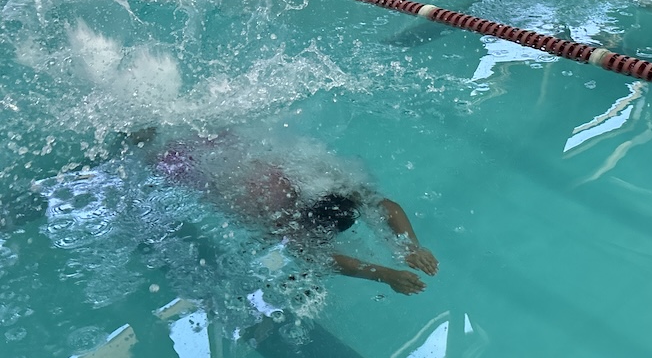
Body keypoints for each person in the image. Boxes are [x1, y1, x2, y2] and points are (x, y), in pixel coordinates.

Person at [150, 130, 439, 296]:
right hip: (196, 169)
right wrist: (387, 274)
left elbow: (384, 206)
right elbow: (329, 260)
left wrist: (412, 248)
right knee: (155, 152)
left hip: (223, 141)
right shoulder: (285, 221)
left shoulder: (310, 177)